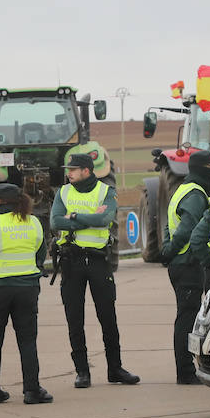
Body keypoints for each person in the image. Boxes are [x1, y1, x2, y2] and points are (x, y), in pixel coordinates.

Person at [50, 153, 139, 389]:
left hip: (99, 261)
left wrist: (75, 216)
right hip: (71, 260)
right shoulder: (64, 192)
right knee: (74, 319)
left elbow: (106, 219)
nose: (68, 172)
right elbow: (56, 222)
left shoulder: (105, 191)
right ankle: (82, 372)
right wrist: (90, 217)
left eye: (73, 169)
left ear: (86, 171)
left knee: (108, 317)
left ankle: (115, 368)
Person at [156, 150, 210, 385]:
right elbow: (187, 229)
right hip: (187, 264)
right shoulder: (195, 194)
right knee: (187, 318)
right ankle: (185, 372)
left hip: (181, 263)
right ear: (202, 169)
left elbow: (168, 227)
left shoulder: (183, 189)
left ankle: (186, 369)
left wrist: (167, 250)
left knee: (187, 316)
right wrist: (171, 251)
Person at [0, 182, 49, 404]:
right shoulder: (34, 222)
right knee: (28, 341)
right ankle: (32, 390)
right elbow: (41, 254)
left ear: (3, 202)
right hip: (27, 288)